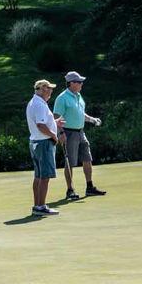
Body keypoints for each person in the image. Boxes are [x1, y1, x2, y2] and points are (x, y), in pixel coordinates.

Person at [51, 70, 106, 202]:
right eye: (79, 82)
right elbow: (56, 116)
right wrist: (61, 133)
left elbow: (81, 113)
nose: (82, 84)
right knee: (70, 162)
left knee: (87, 158)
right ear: (71, 83)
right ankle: (70, 190)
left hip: (81, 132)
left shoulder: (78, 96)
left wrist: (92, 119)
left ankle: (89, 187)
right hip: (68, 133)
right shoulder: (62, 98)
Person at [26, 79, 64, 218]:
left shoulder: (35, 102)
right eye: (49, 88)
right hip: (44, 143)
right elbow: (41, 126)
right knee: (45, 176)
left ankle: (37, 206)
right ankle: (41, 207)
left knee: (39, 176)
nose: (51, 91)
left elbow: (42, 122)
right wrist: (54, 135)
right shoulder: (39, 104)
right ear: (42, 89)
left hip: (36, 142)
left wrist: (54, 122)